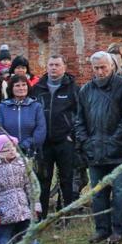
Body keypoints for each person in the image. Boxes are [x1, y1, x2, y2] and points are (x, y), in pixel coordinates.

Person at [76, 51, 122, 244]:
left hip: (119, 150)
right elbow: (79, 120)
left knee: (120, 193)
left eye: (103, 67)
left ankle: (119, 230)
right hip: (94, 150)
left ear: (112, 66)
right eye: (96, 68)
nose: (100, 71)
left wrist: (113, 141)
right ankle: (101, 229)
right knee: (98, 192)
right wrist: (85, 142)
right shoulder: (86, 90)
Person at [0, 134, 44, 244]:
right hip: (4, 214)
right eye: (6, 149)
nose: (11, 151)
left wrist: (35, 206)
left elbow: (31, 187)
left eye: (13, 148)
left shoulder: (22, 164)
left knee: (30, 241)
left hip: (23, 211)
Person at [31, 55, 80, 218]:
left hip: (65, 141)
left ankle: (65, 215)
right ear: (46, 67)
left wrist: (72, 134)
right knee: (43, 179)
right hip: (43, 142)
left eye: (57, 65)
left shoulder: (73, 88)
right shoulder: (37, 88)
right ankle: (42, 216)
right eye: (51, 64)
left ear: (64, 67)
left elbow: (80, 114)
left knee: (66, 179)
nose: (53, 68)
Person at [0, 74, 47, 157]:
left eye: (24, 85)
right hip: (9, 153)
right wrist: (12, 145)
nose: (21, 88)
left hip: (32, 152)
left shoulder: (36, 106)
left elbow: (40, 130)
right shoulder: (2, 107)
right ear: (11, 88)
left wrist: (25, 145)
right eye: (17, 85)